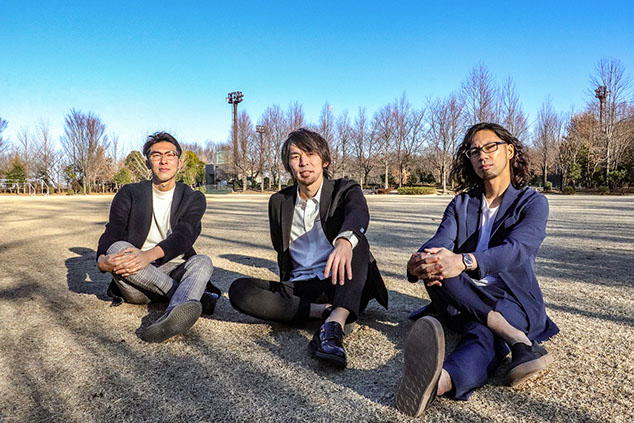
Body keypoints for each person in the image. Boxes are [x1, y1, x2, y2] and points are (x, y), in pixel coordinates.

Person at [395, 122, 559, 417]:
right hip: (457, 297)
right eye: (474, 151)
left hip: (511, 299)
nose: (482, 154)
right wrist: (419, 261)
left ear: (509, 151)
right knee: (438, 267)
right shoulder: (461, 203)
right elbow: (440, 241)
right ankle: (514, 337)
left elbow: (517, 249)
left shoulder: (533, 203)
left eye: (490, 146)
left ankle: (439, 382)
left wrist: (465, 261)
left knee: (482, 333)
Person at [228, 128, 388, 368]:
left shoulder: (344, 190)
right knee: (239, 289)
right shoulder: (279, 202)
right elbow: (281, 249)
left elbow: (358, 213)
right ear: (289, 165)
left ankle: (334, 324)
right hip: (301, 287)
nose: (303, 162)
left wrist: (344, 241)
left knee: (356, 240)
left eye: (310, 153)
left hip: (341, 280)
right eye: (295, 156)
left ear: (325, 161)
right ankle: (321, 312)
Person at [96, 132, 219, 343]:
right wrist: (101, 261)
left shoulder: (193, 198)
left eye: (170, 155)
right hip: (136, 279)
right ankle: (187, 298)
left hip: (171, 268)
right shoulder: (129, 193)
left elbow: (185, 235)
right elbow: (113, 230)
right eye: (156, 155)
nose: (163, 160)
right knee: (116, 248)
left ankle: (172, 317)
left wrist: (149, 255)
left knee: (202, 261)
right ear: (147, 162)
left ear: (179, 162)